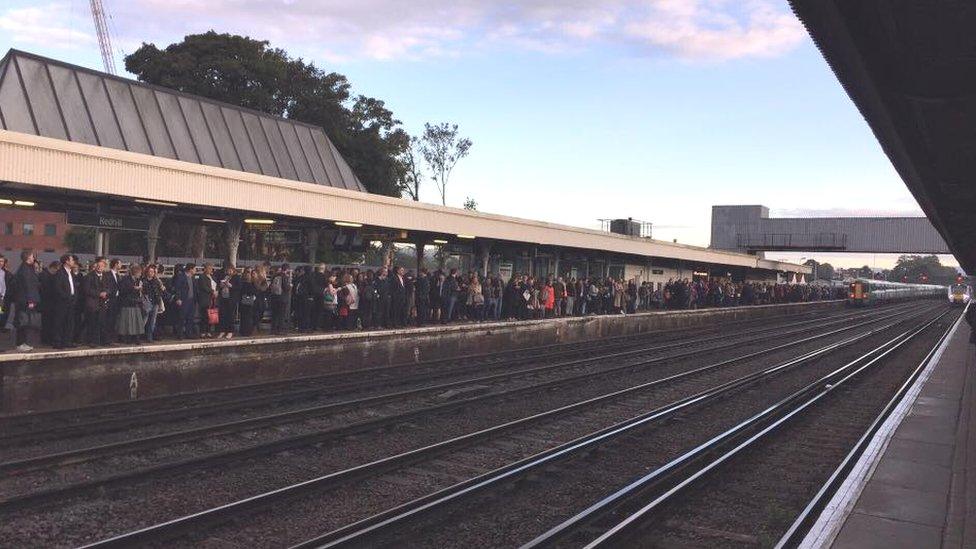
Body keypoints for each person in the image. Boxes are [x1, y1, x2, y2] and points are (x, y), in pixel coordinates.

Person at [11, 252, 41, 352]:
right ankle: (20, 343)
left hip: (24, 299)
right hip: (25, 300)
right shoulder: (25, 270)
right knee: (23, 321)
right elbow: (29, 286)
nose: (34, 258)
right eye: (32, 256)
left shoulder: (26, 268)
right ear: (28, 257)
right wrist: (31, 300)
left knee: (25, 321)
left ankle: (23, 342)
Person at [82, 256, 110, 347]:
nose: (99, 268)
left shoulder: (106, 276)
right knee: (92, 322)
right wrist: (99, 294)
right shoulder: (89, 276)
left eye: (101, 266)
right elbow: (87, 290)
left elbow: (109, 288)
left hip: (102, 303)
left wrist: (106, 293)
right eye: (98, 266)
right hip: (93, 303)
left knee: (102, 322)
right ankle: (92, 341)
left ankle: (102, 340)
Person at [51, 254, 78, 349]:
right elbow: (57, 288)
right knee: (60, 322)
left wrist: (74, 297)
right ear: (66, 261)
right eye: (71, 260)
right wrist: (66, 297)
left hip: (71, 301)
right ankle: (58, 342)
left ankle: (67, 341)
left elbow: (74, 286)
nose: (73, 262)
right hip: (62, 302)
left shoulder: (71, 273)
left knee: (69, 322)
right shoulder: (60, 273)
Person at [116, 263, 146, 345]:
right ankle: (127, 338)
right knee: (128, 322)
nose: (140, 275)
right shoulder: (126, 279)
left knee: (136, 322)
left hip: (136, 303)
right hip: (127, 303)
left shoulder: (138, 281)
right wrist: (133, 288)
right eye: (139, 273)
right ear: (135, 272)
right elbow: (122, 290)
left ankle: (136, 338)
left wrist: (140, 289)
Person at [216, 265, 241, 338]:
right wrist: (221, 285)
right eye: (228, 271)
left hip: (231, 299)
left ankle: (230, 331)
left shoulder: (236, 277)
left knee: (230, 315)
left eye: (230, 270)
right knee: (223, 315)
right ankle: (223, 330)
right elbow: (220, 286)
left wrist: (231, 286)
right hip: (224, 298)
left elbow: (239, 287)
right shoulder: (225, 277)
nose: (229, 272)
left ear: (233, 270)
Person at [173, 264, 197, 340]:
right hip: (184, 300)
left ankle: (188, 333)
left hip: (191, 300)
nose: (195, 270)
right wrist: (178, 298)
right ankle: (180, 334)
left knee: (190, 317)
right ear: (190, 269)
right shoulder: (181, 277)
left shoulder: (192, 277)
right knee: (182, 317)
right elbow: (177, 288)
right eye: (194, 269)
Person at [143, 264, 165, 342]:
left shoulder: (156, 281)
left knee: (153, 321)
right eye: (150, 271)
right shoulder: (143, 280)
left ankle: (150, 336)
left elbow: (161, 290)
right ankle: (140, 335)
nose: (151, 273)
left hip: (155, 302)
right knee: (144, 320)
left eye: (153, 272)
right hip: (147, 302)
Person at [195, 263, 217, 338]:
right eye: (209, 268)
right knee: (204, 315)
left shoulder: (213, 277)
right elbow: (204, 287)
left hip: (212, 299)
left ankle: (208, 331)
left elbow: (216, 285)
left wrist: (216, 292)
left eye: (211, 268)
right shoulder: (202, 277)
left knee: (210, 316)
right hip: (205, 299)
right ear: (205, 269)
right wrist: (212, 291)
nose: (211, 269)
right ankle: (203, 331)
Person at [0, 255, 12, 334]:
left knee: (3, 313)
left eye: (2, 261)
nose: (1, 263)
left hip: (4, 297)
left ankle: (2, 327)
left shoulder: (5, 272)